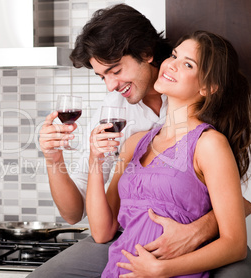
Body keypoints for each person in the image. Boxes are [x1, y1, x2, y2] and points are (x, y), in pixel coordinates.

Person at [30, 3, 251, 278]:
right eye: (102, 77)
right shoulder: (123, 121)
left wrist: (195, 234)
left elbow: (242, 204)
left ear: (146, 54)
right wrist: (56, 158)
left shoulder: (210, 132)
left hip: (199, 239)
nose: (110, 86)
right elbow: (85, 218)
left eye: (115, 70)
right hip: (129, 238)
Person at [87, 30, 250, 277]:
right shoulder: (135, 143)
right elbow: (103, 231)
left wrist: (161, 269)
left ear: (207, 86)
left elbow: (235, 246)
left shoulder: (209, 145)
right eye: (173, 55)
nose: (170, 65)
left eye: (187, 64)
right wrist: (94, 160)